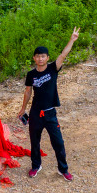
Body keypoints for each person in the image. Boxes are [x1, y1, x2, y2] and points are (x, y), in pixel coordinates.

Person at [18, 28, 79, 181]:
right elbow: (27, 92)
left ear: (47, 58)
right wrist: (23, 108)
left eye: (43, 56)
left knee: (58, 142)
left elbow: (63, 55)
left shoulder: (53, 68)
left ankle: (63, 169)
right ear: (34, 58)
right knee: (35, 142)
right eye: (38, 56)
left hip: (50, 113)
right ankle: (36, 166)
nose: (40, 59)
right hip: (35, 113)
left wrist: (72, 39)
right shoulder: (31, 75)